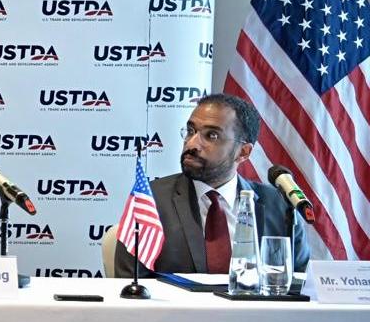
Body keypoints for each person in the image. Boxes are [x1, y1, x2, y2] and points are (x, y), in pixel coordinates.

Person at [115, 92, 310, 276]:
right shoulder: (152, 200)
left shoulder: (279, 207)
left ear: (243, 152)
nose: (192, 144)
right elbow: (129, 284)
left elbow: (300, 284)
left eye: (212, 136)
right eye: (190, 131)